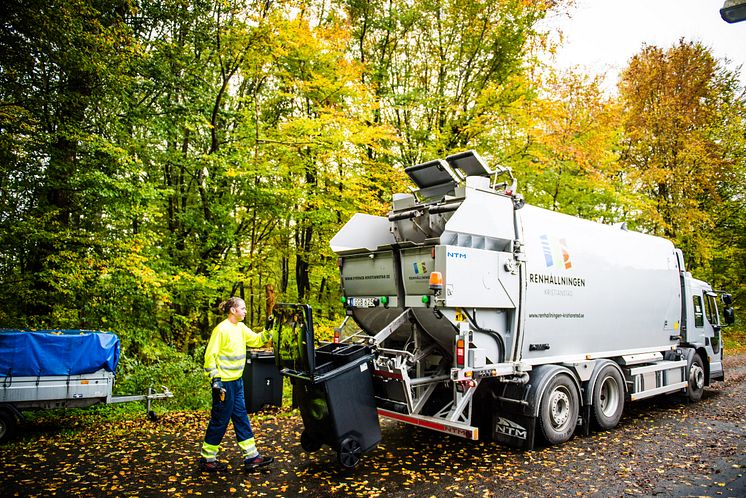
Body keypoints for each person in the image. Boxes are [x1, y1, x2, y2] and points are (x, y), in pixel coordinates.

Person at [199, 297, 274, 472]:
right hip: (224, 384)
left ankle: (252, 457)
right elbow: (210, 356)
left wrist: (268, 330)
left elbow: (256, 340)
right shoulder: (221, 330)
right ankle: (208, 459)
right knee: (220, 420)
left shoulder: (240, 328)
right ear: (233, 310)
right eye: (243, 308)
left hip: (237, 382)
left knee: (241, 417)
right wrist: (215, 379)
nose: (245, 311)